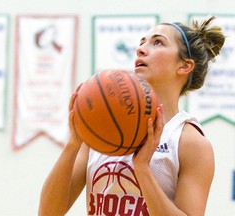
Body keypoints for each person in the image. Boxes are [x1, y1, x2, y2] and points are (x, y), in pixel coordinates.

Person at [38, 16, 225, 216]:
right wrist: (74, 143)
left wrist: (143, 169)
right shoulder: (101, 127)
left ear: (185, 66)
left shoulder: (190, 142)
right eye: (142, 42)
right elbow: (48, 212)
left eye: (158, 42)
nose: (141, 49)